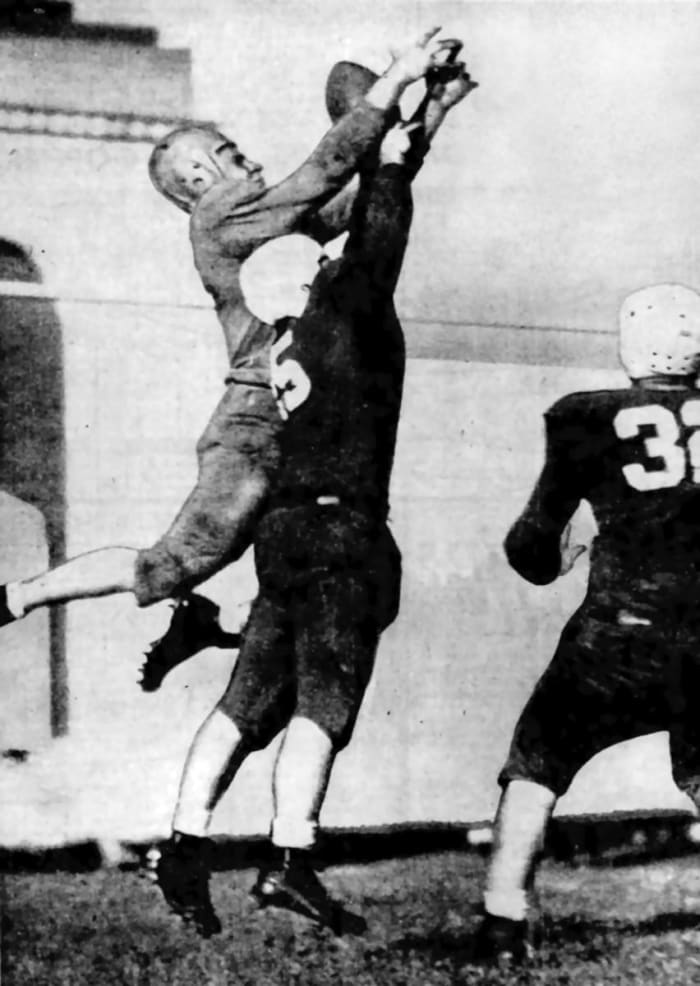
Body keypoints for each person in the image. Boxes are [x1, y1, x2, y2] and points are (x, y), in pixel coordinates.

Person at [0, 30, 455, 690]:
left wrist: (434, 105)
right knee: (172, 565)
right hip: (256, 422)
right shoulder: (217, 219)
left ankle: (201, 620)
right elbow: (327, 169)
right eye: (227, 154)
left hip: (299, 413)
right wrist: (393, 84)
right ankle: (15, 597)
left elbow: (374, 188)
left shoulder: (273, 223)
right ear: (195, 181)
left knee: (300, 558)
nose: (245, 159)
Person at [153, 67, 478, 938]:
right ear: (311, 275)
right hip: (343, 526)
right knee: (319, 708)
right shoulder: (346, 310)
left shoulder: (279, 341)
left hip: (286, 531)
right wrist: (408, 109)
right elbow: (380, 196)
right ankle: (290, 858)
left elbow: (361, 203)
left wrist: (426, 115)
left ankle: (182, 842)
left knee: (243, 700)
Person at [475, 283, 700, 964]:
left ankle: (503, 926)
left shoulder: (587, 414)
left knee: (536, 764)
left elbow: (532, 547)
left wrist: (562, 551)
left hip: (620, 629)